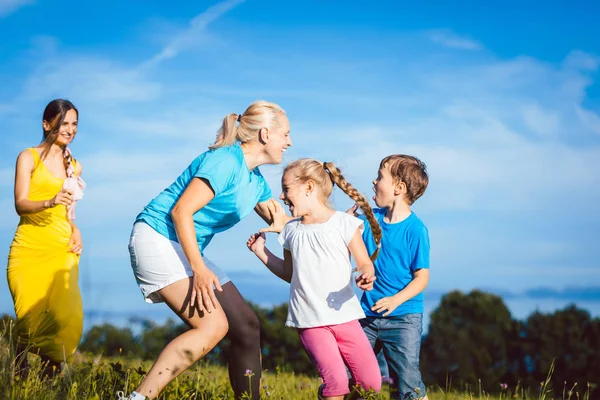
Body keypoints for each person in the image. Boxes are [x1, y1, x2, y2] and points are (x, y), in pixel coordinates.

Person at [125, 100, 292, 400]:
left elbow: (282, 220)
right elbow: (181, 212)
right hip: (157, 237)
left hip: (183, 244)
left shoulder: (255, 181)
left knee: (246, 326)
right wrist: (199, 270)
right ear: (266, 134)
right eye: (286, 135)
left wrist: (329, 222)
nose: (289, 142)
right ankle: (139, 398)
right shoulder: (226, 161)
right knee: (213, 326)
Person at [247, 158, 383, 400]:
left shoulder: (344, 223)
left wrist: (366, 273)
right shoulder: (290, 231)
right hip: (310, 320)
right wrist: (261, 252)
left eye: (287, 189)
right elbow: (289, 273)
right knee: (336, 383)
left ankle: (329, 393)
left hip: (345, 316)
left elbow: (364, 262)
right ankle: (330, 392)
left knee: (371, 384)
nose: (281, 196)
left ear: (309, 187)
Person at [7, 99, 86, 377]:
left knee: (67, 319)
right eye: (64, 123)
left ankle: (47, 375)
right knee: (30, 320)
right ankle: (21, 371)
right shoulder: (27, 157)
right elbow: (20, 204)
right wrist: (50, 201)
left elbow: (69, 212)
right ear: (47, 124)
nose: (70, 129)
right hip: (28, 249)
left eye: (74, 123)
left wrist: (75, 229)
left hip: (62, 247)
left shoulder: (74, 166)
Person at [350, 154, 430, 400]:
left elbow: (422, 278)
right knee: (353, 373)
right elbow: (339, 232)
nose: (373, 182)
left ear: (398, 188)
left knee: (407, 379)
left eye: (379, 177)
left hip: (403, 318)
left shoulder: (416, 230)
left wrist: (395, 300)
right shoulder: (367, 219)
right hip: (367, 315)